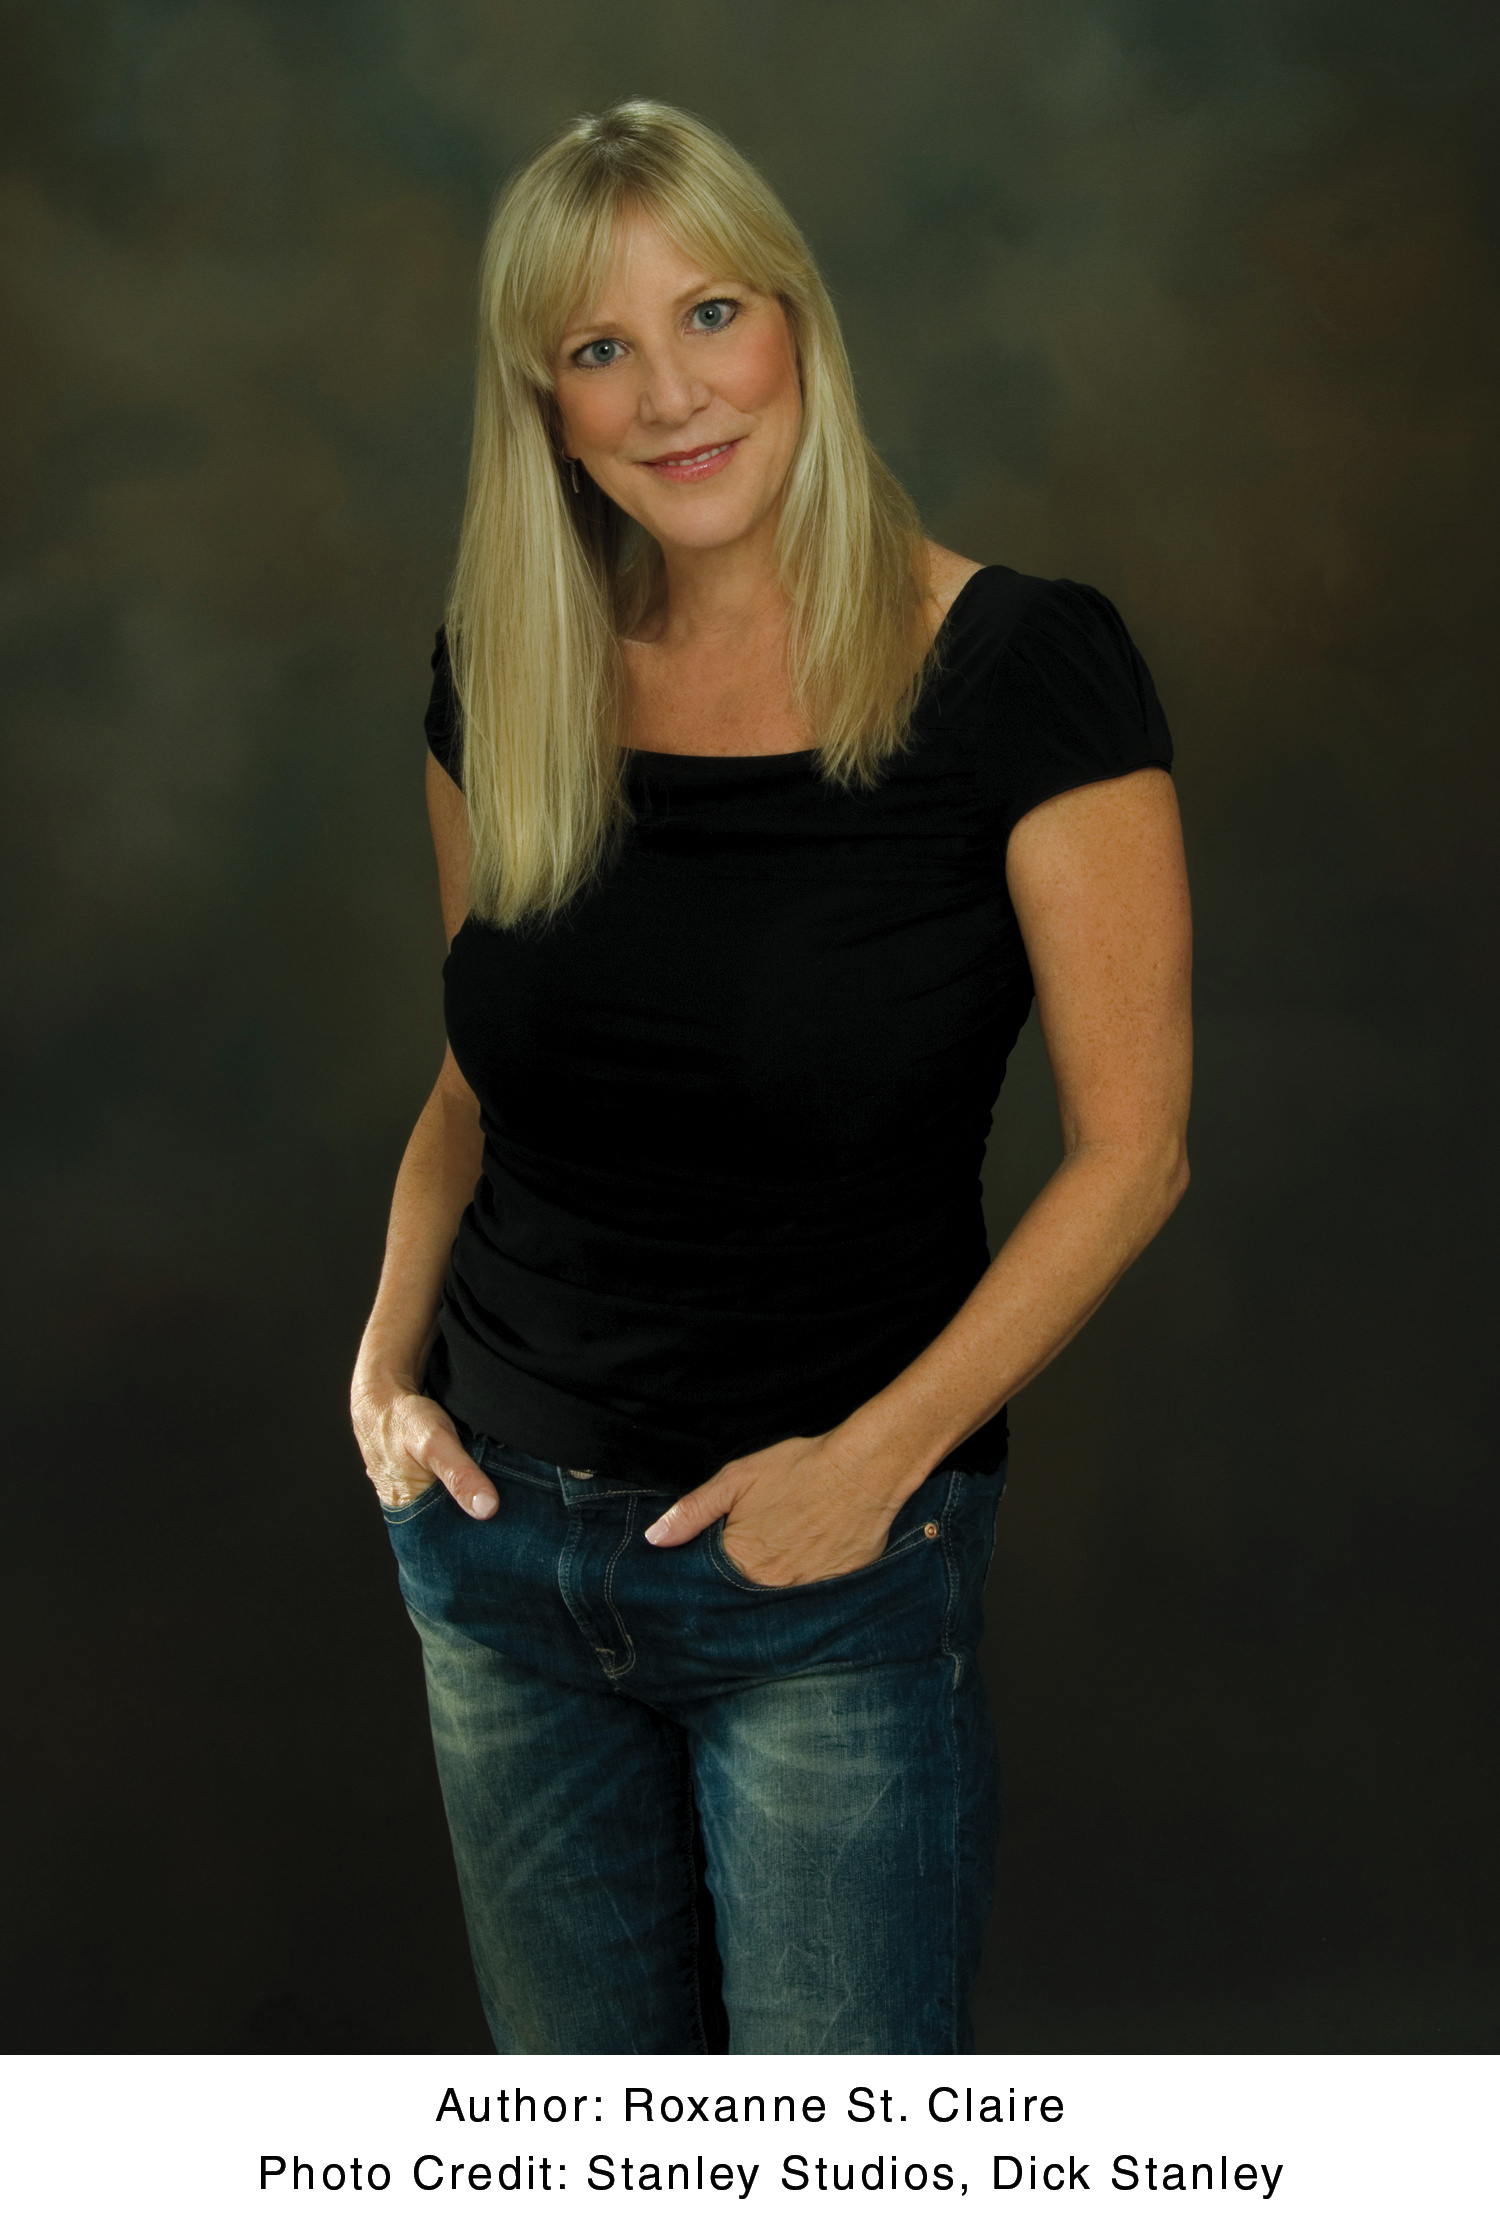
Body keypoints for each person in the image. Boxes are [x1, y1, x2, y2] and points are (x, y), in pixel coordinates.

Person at [350, 99, 1192, 2056]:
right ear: (547, 409)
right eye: (600, 348)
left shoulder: (1023, 670)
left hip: (825, 1574)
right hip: (496, 1560)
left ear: (798, 320)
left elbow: (1134, 1154)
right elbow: (478, 1087)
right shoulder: (508, 668)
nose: (670, 394)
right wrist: (382, 1372)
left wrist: (874, 1468)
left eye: (711, 313)